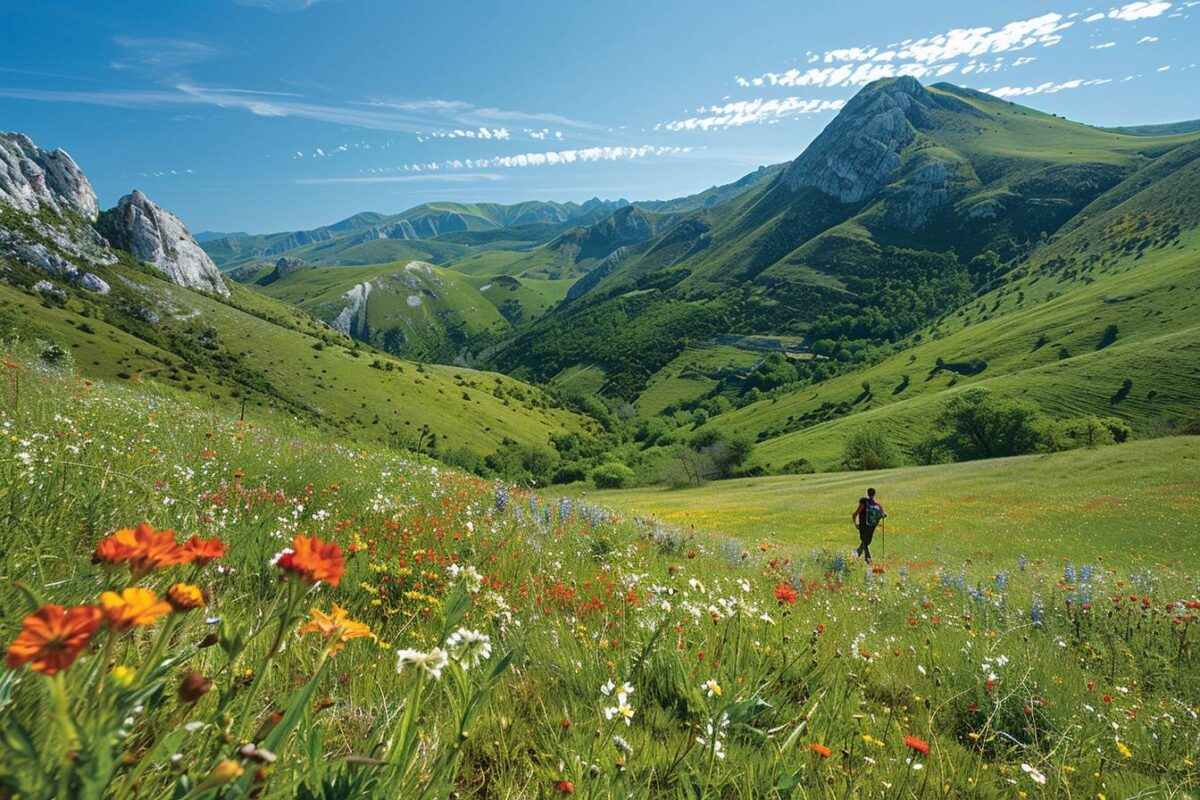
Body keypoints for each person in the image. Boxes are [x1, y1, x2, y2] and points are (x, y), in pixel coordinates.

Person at [852, 488, 886, 564]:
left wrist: (855, 523)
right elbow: (883, 514)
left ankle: (864, 558)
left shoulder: (864, 503)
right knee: (865, 542)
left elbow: (855, 514)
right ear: (874, 494)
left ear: (868, 493)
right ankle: (861, 557)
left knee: (865, 542)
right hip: (872, 526)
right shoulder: (877, 504)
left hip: (863, 525)